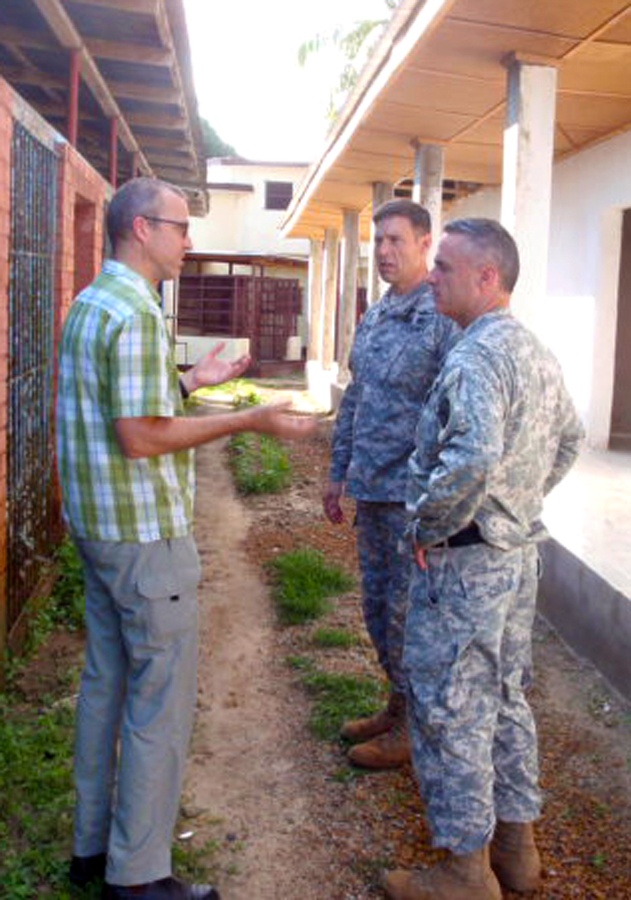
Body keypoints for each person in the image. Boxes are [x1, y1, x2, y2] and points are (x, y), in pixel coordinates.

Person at [57, 177, 316, 900]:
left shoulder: (92, 301)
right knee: (158, 701)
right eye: (179, 227)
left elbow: (125, 406)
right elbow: (140, 437)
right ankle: (137, 877)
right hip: (143, 539)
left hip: (100, 533)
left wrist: (190, 383)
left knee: (107, 686)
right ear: (141, 228)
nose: (187, 240)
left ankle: (92, 850)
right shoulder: (136, 312)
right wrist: (248, 418)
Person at [382, 218, 584, 900]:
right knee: (504, 698)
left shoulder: (474, 357)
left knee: (451, 709)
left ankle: (465, 871)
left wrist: (429, 525)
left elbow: (468, 459)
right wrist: (517, 506)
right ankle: (515, 851)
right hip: (513, 558)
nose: (431, 276)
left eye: (443, 266)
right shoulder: (533, 350)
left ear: (486, 278)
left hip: (465, 564)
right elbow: (569, 441)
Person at [322, 199, 460, 770]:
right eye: (378, 241)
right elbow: (357, 396)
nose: (382, 251)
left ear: (425, 244)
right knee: (378, 612)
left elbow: (458, 414)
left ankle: (414, 731)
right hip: (372, 494)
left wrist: (439, 504)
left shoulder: (444, 318)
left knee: (410, 623)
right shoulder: (378, 314)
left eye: (395, 241)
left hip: (414, 503)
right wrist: (337, 472)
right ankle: (396, 705)